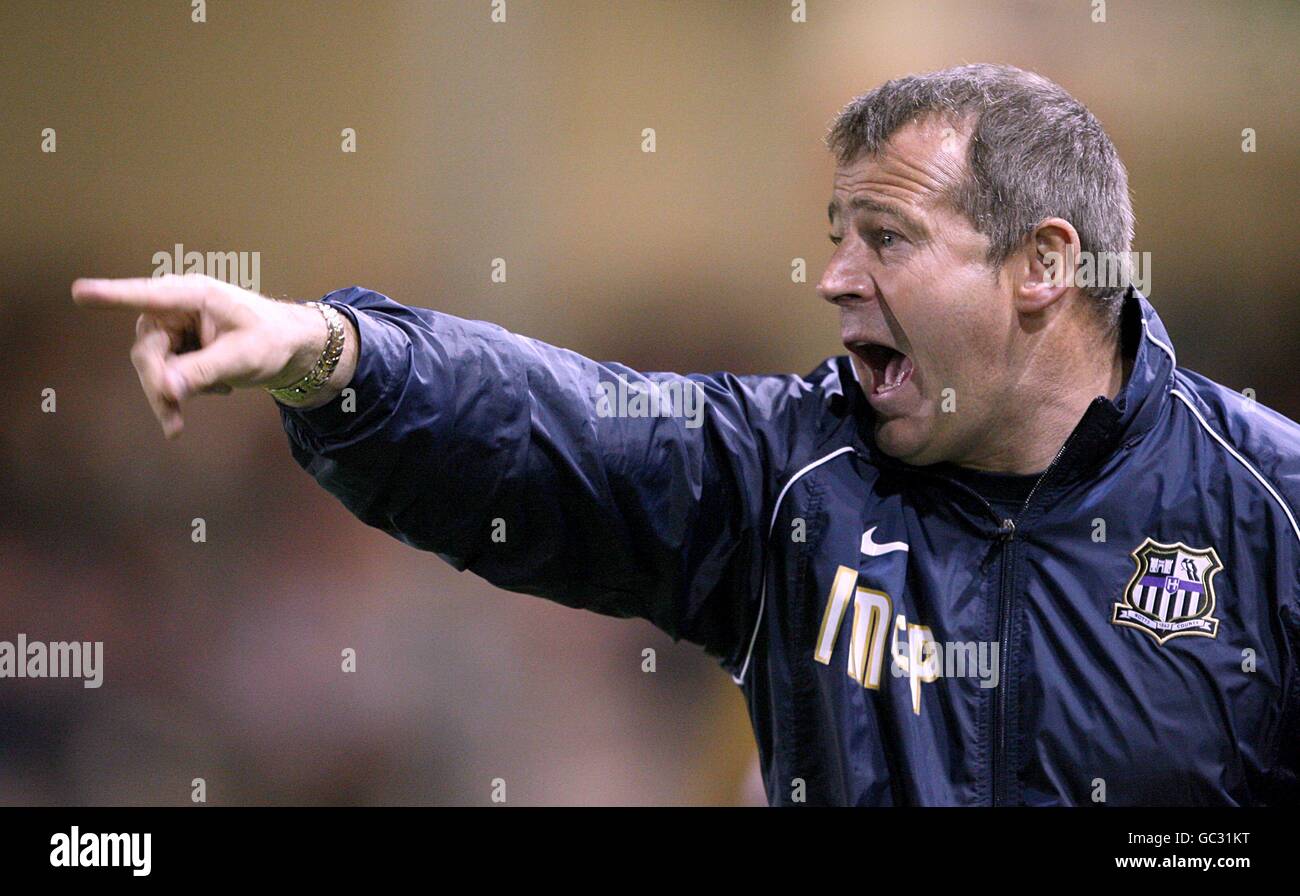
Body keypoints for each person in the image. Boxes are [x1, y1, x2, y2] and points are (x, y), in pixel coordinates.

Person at [73, 64, 1300, 805]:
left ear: (1041, 265)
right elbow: (553, 421)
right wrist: (335, 356)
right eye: (835, 230)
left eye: (885, 236)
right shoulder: (790, 474)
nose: (830, 277)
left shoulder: (1270, 510)